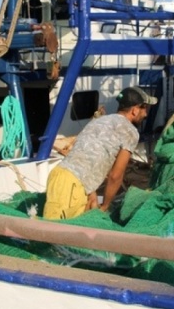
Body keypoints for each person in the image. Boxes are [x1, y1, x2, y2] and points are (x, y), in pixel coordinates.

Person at [43, 86, 157, 220]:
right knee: (58, 231)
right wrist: (105, 206)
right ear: (135, 110)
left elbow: (84, 156)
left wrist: (91, 192)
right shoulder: (130, 131)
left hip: (59, 175)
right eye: (145, 109)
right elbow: (116, 175)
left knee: (57, 228)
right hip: (72, 186)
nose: (146, 114)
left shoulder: (99, 121)